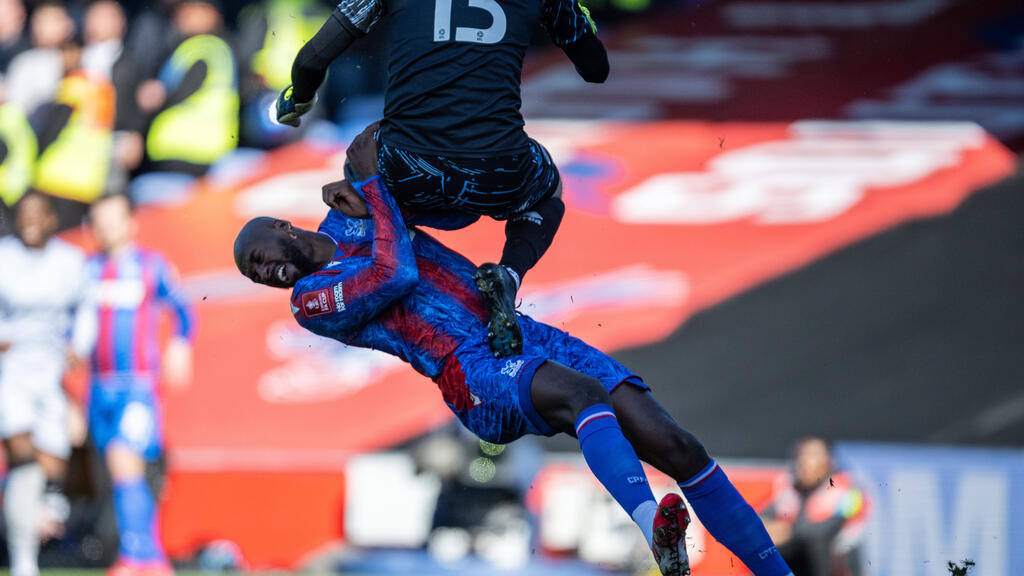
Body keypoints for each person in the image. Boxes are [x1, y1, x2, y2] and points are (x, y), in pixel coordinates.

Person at [232, 125, 794, 576]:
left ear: (284, 226)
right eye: (255, 275)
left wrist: (442, 162)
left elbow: (432, 195)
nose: (263, 272)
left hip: (518, 331)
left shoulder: (347, 212)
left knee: (677, 445)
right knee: (582, 394)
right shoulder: (311, 301)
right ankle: (655, 530)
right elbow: (394, 272)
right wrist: (375, 185)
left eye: (258, 256)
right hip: (468, 370)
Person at [273, 0, 611, 358]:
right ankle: (509, 275)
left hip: (405, 171)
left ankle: (376, 266)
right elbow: (596, 68)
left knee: (360, 161)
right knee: (547, 189)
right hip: (496, 172)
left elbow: (311, 59)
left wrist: (300, 98)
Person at [84, 193, 195, 576]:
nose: (106, 227)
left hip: (137, 386)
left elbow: (183, 310)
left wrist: (181, 347)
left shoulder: (152, 267)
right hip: (98, 387)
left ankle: (137, 556)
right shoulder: (86, 271)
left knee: (123, 460)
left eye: (113, 218)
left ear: (131, 223)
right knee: (117, 467)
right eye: (99, 219)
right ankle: (151, 557)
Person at [0, 191, 95, 576]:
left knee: (48, 463)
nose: (31, 221)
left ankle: (43, 508)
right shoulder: (4, 256)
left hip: (50, 369)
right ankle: (24, 557)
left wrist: (79, 345)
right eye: (25, 214)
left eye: (39, 214)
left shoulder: (69, 261)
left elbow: (85, 308)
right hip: (12, 368)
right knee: (22, 453)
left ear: (53, 219)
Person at [761, 437, 868, 576]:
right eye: (800, 455)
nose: (803, 462)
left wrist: (782, 531)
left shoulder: (849, 491)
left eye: (812, 455)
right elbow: (759, 520)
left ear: (828, 460)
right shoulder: (789, 487)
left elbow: (817, 532)